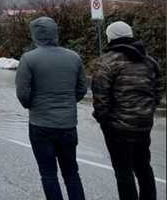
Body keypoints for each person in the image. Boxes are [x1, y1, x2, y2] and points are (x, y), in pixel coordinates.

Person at [16, 16, 87, 200]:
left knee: (48, 174)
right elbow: (81, 89)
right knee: (71, 173)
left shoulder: (28, 59)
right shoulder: (74, 57)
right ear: (55, 33)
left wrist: (33, 105)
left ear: (35, 35)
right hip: (68, 125)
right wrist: (68, 104)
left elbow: (23, 93)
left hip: (41, 124)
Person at [92, 21, 162, 200]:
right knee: (143, 167)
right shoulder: (149, 60)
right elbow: (158, 90)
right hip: (144, 124)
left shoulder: (107, 62)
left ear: (110, 38)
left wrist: (104, 121)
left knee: (123, 172)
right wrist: (147, 111)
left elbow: (100, 98)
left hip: (117, 127)